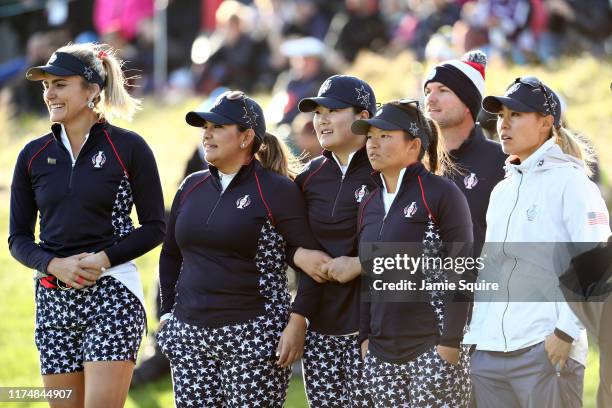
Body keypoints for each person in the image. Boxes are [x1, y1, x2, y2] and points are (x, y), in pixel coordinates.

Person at [8, 43, 165, 407]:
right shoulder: (31, 155)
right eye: (46, 85)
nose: (49, 93)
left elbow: (156, 226)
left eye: (60, 84)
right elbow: (17, 238)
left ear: (92, 90)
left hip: (111, 293)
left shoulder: (129, 148)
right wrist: (53, 265)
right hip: (53, 297)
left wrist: (103, 260)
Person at [157, 91, 324, 407]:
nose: (207, 133)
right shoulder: (190, 186)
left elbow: (312, 265)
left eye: (218, 127)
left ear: (246, 137)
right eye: (205, 126)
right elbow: (171, 255)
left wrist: (298, 322)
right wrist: (167, 313)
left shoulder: (278, 190)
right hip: (190, 335)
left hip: (255, 335)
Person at [463, 76, 611, 407]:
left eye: (515, 115)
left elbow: (598, 261)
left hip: (545, 350)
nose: (503, 124)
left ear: (546, 123)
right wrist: (477, 339)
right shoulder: (501, 191)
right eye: (501, 116)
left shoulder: (572, 183)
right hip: (489, 353)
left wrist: (564, 333)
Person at [354, 100, 474, 407]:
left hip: (431, 351)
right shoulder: (369, 204)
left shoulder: (441, 194)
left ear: (414, 145)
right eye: (370, 137)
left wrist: (449, 344)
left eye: (385, 136)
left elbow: (462, 269)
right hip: (381, 356)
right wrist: (365, 339)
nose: (373, 144)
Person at [292, 74, 377, 407]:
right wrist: (297, 254)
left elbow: (418, 244)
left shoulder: (387, 170)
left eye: (333, 110)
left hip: (375, 330)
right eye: (317, 112)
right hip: (320, 331)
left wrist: (360, 264)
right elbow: (286, 239)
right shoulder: (307, 178)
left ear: (364, 117)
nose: (321, 119)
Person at [424, 49, 506, 256]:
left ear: (468, 103)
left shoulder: (503, 161)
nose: (430, 99)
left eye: (443, 90)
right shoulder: (412, 158)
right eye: (427, 91)